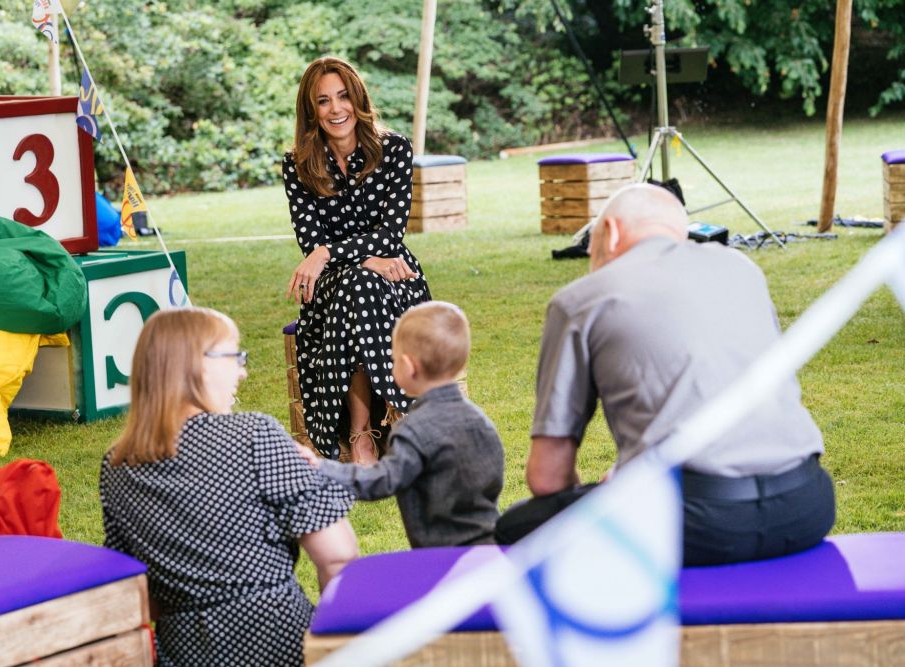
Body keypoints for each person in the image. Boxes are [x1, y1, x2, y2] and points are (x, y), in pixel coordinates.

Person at [495, 183, 836, 566]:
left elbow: (548, 478)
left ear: (611, 231)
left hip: (696, 524)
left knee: (517, 525)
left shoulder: (581, 300)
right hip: (807, 504)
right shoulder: (742, 269)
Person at [99, 307, 358, 667]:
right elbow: (338, 555)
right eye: (234, 356)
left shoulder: (117, 464)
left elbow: (142, 594)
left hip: (184, 651)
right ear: (197, 364)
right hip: (278, 643)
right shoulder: (254, 435)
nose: (243, 370)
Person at [282, 56, 431, 465]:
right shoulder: (296, 165)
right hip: (334, 287)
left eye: (343, 97)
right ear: (312, 110)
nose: (336, 109)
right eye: (324, 101)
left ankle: (367, 432)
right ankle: (379, 427)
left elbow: (390, 235)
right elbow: (309, 240)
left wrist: (330, 251)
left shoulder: (395, 149)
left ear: (358, 99)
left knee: (362, 286)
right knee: (357, 285)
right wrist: (363, 261)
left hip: (396, 275)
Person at [298, 302, 506, 548]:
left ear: (408, 367)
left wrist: (322, 468)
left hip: (439, 553)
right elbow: (494, 478)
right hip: (489, 546)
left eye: (393, 360)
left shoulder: (412, 430)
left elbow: (382, 480)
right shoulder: (481, 421)